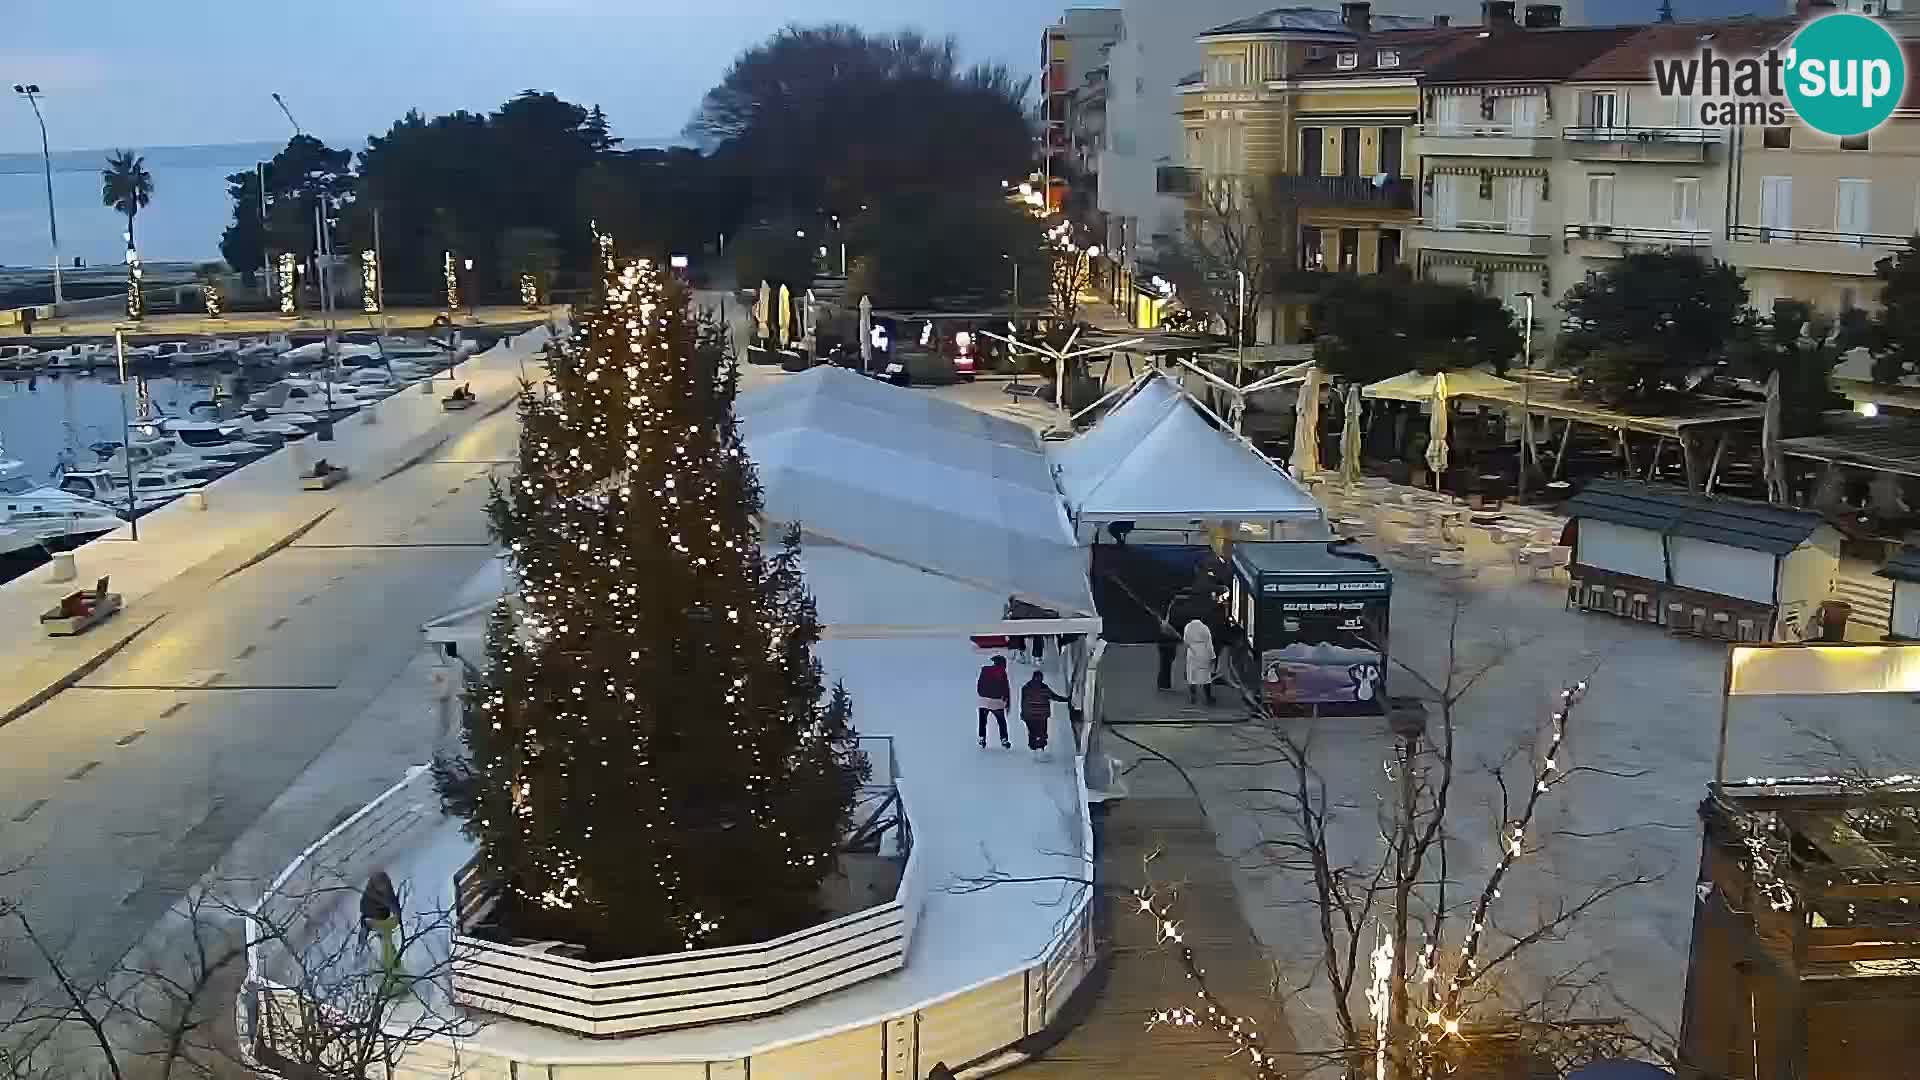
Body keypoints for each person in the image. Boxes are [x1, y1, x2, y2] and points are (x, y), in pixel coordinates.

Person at [1020, 670, 1071, 759]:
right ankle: (1041, 750)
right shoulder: (1044, 688)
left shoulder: (1026, 687)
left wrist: (1023, 713)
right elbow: (1054, 697)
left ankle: (1034, 749)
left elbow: (1023, 702)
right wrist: (1066, 700)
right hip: (1041, 715)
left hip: (1029, 715)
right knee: (1042, 732)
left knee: (1032, 732)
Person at [976, 655, 1011, 748]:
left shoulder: (985, 670)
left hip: (984, 701)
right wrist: (1006, 702)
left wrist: (982, 694)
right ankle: (1004, 739)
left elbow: (979, 685)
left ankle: (982, 738)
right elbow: (1005, 688)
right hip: (997, 702)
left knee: (982, 721)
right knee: (1001, 721)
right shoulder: (1002, 673)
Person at [1183, 616, 1216, 706]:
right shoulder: (1205, 628)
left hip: (1192, 652)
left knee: (1192, 675)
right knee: (1206, 675)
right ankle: (1208, 697)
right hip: (1203, 651)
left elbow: (1185, 642)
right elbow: (1209, 643)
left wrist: (1185, 654)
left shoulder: (1188, 627)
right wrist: (1213, 656)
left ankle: (1193, 695)